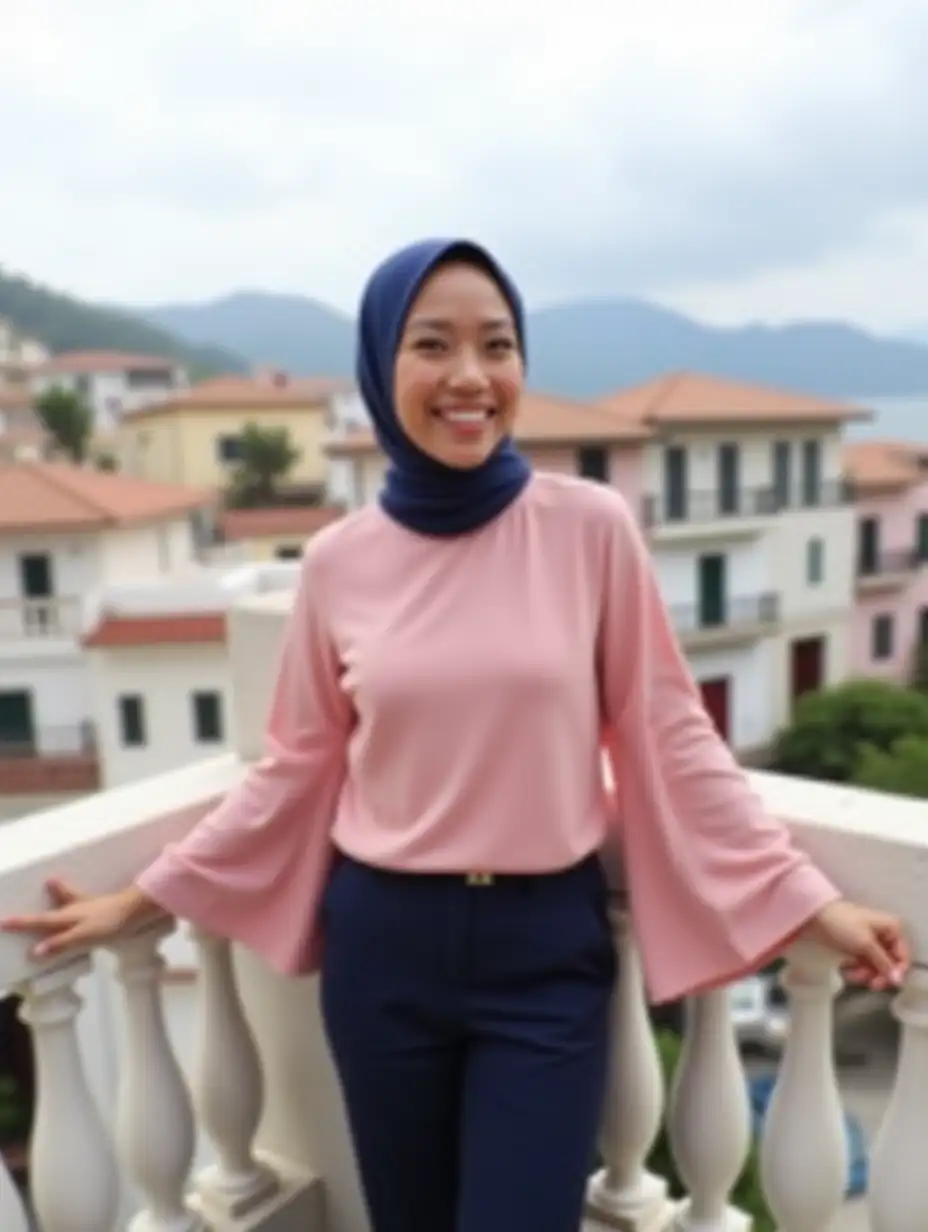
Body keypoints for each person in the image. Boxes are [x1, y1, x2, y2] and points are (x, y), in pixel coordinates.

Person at [3, 239, 909, 1232]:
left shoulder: (589, 527)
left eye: (498, 344)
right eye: (432, 344)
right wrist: (144, 896)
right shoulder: (339, 564)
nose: (471, 375)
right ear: (382, 370)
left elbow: (669, 731)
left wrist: (805, 900)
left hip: (545, 947)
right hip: (383, 948)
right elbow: (296, 766)